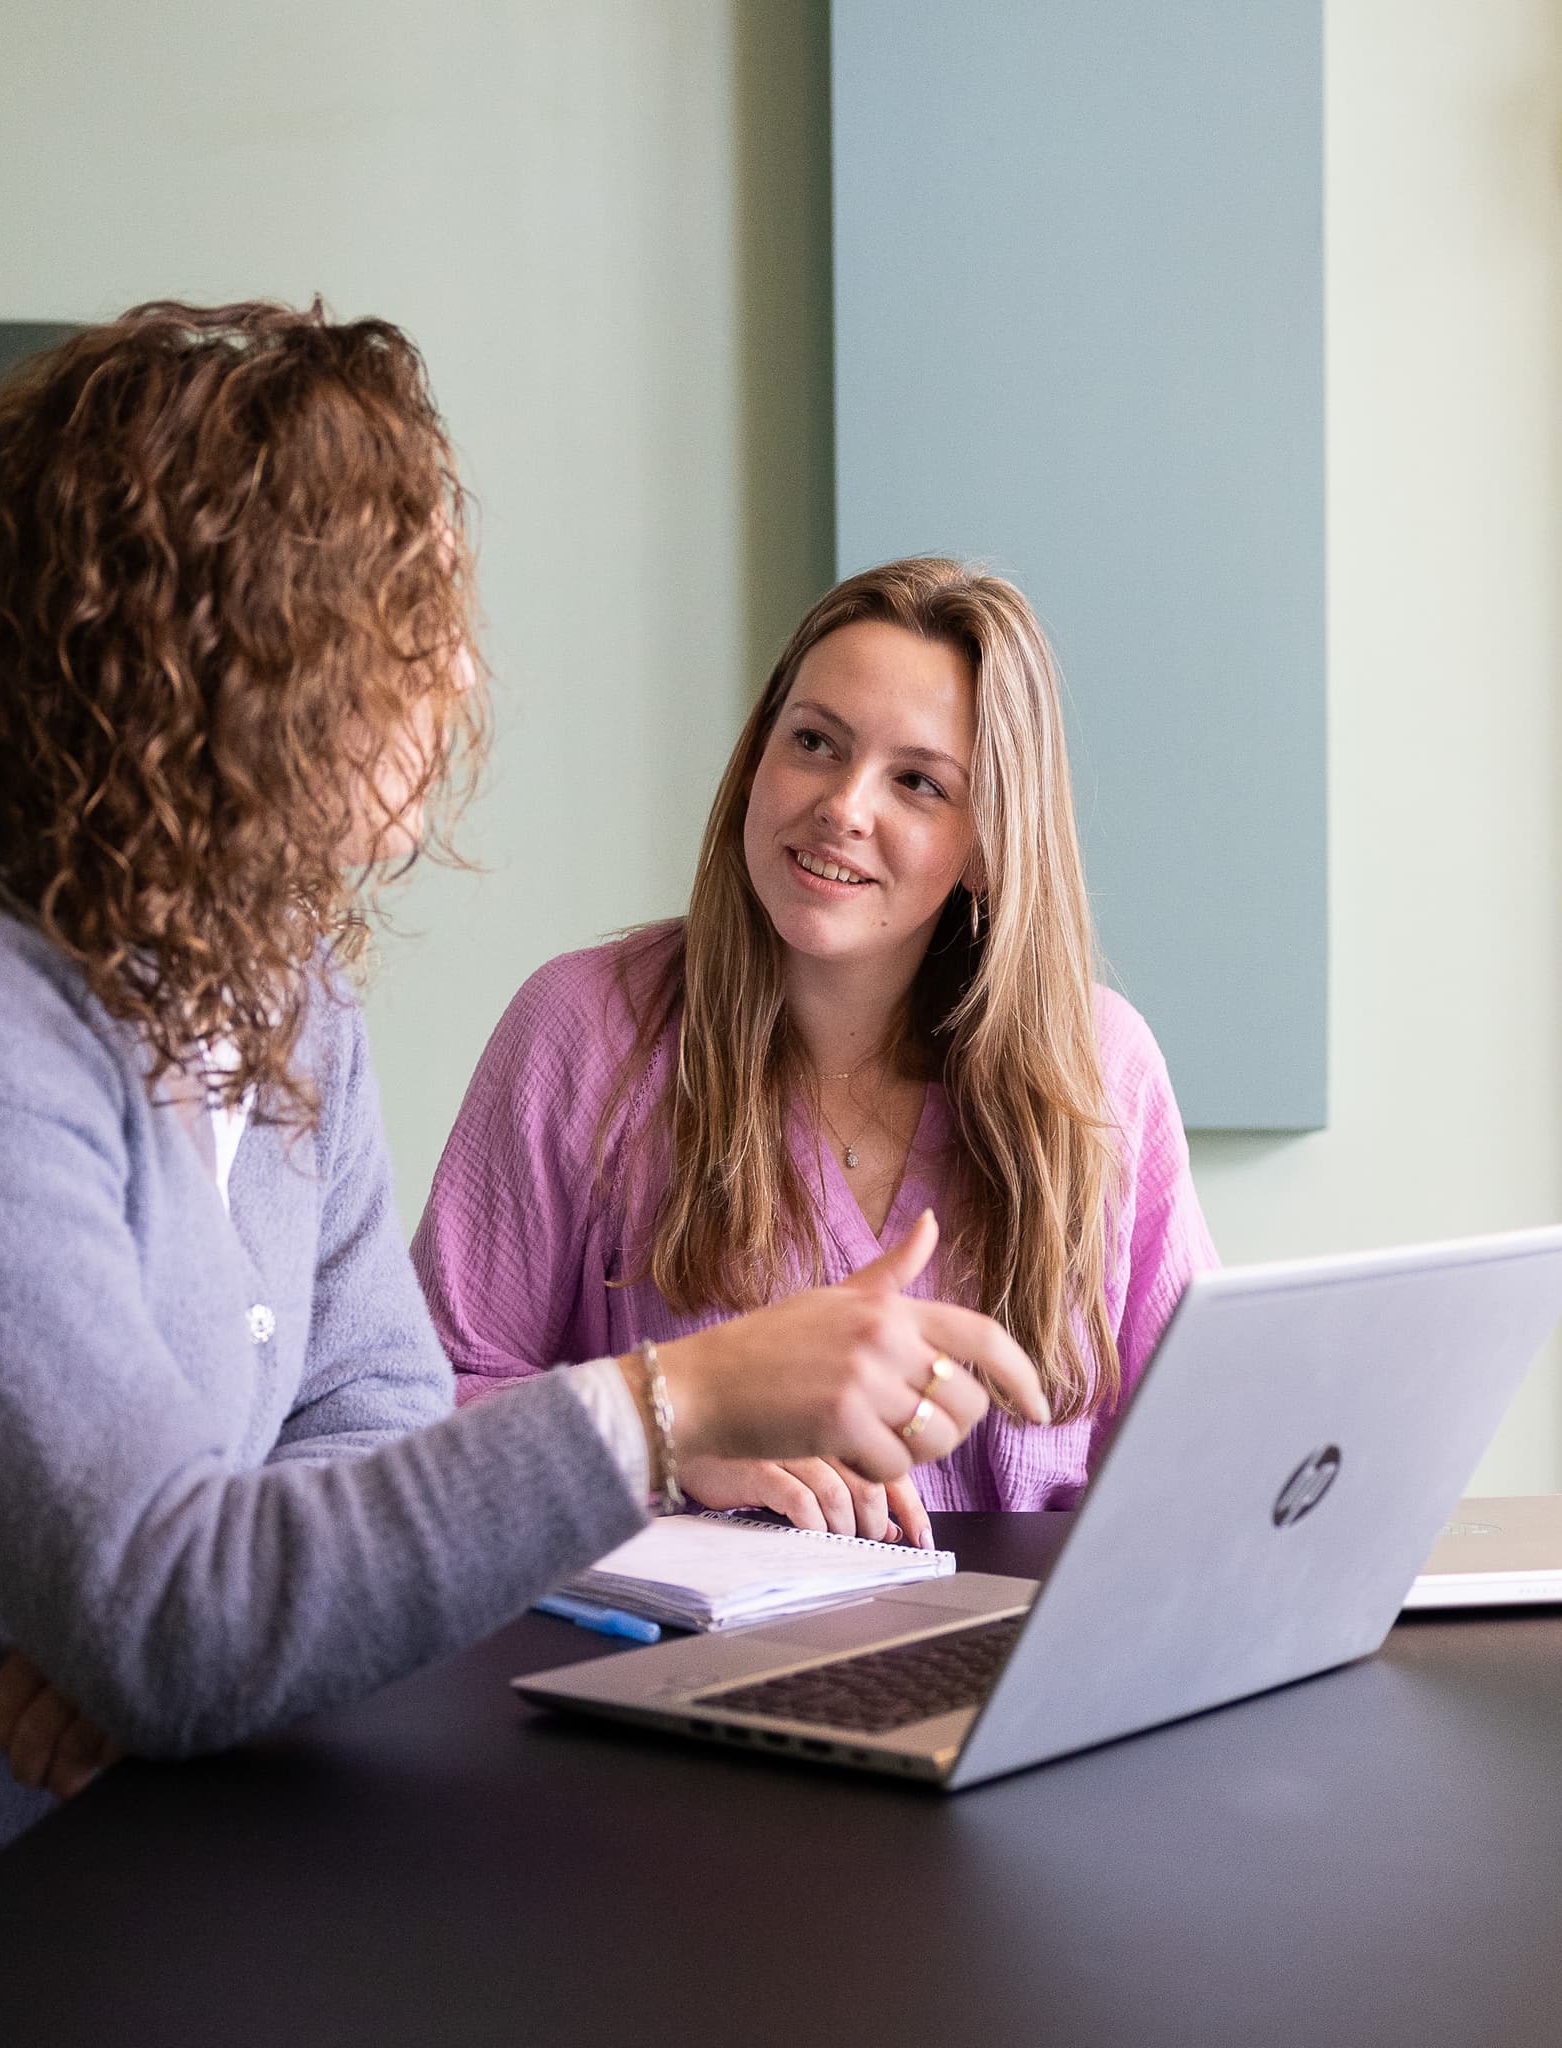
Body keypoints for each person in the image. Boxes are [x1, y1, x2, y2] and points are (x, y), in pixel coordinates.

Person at [0, 305, 1046, 2048]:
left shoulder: (280, 990)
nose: (461, 682)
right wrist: (676, 1401)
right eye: (415, 628)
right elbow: (182, 1614)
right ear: (242, 665)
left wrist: (186, 1639)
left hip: (97, 1829)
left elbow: (363, 1432)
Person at [416, 559, 1216, 1546]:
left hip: (1022, 1639)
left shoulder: (1101, 1068)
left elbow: (1202, 1449)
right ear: (758, 758)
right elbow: (415, 1412)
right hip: (679, 1640)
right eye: (815, 742)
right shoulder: (582, 1029)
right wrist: (669, 1442)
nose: (844, 805)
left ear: (986, 846)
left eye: (918, 782)